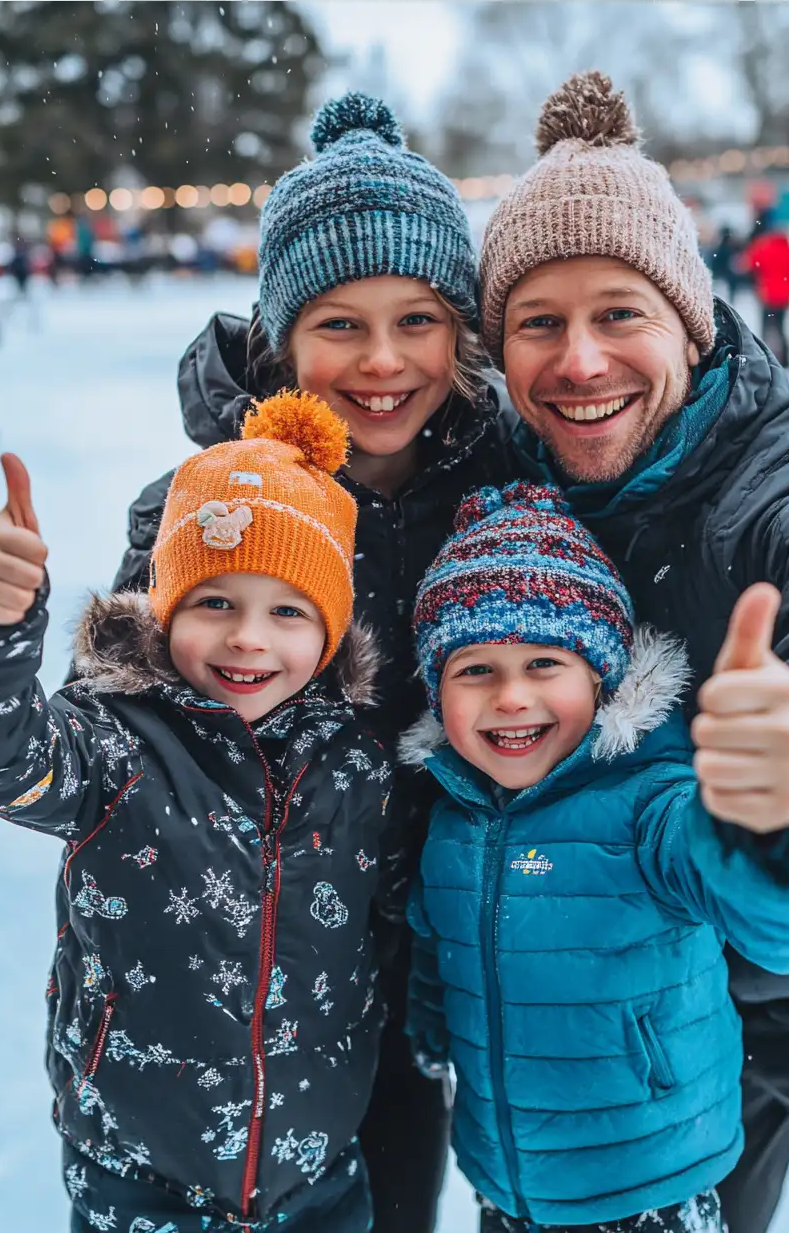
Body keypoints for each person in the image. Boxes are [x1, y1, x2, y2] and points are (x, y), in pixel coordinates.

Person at [478, 72, 789, 1233]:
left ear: (688, 326)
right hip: (633, 995)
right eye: (539, 323)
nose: (580, 360)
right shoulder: (499, 474)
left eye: (620, 314)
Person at [114, 93, 509, 1233]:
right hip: (237, 998)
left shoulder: (498, 496)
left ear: (461, 332)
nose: (383, 362)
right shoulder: (202, 510)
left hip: (422, 972)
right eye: (339, 324)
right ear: (282, 334)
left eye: (420, 319)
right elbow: (110, 738)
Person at [0, 398, 390, 1233]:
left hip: (319, 1172)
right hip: (140, 1177)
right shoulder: (114, 744)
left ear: (329, 634)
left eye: (288, 611)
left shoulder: (356, 762)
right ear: (165, 606)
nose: (249, 639)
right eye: (215, 602)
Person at [403, 484, 789, 1233]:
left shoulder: (651, 806)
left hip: (650, 1190)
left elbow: (765, 914)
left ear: (602, 676)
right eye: (475, 670)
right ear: (437, 691)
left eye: (545, 662)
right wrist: (432, 1031)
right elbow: (441, 947)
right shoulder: (451, 815)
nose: (512, 696)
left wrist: (779, 828)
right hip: (505, 1184)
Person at [737, 210, 789, 368]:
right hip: (785, 297)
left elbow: (745, 264)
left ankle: (764, 356)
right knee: (782, 327)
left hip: (767, 295)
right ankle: (786, 360)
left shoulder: (764, 248)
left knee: (766, 327)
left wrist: (758, 277)